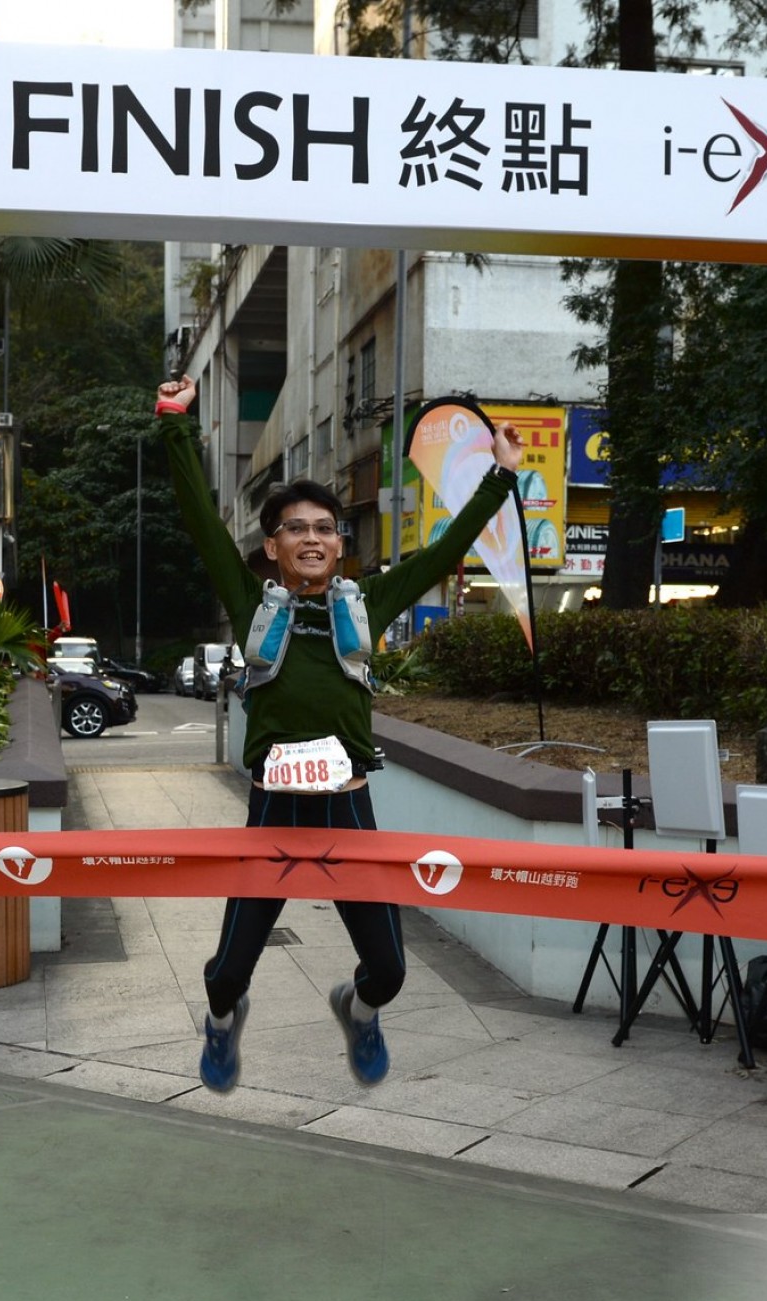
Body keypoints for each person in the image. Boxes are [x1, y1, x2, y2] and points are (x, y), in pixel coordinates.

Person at [156, 376, 522, 1092]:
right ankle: (223, 1022)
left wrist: (501, 475)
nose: (313, 539)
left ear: (339, 543)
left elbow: (445, 550)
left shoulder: (367, 603)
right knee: (227, 973)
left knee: (389, 968)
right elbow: (199, 517)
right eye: (297, 528)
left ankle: (358, 1011)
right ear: (272, 545)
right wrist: (175, 421)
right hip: (275, 811)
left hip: (349, 808)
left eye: (325, 528)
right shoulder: (251, 603)